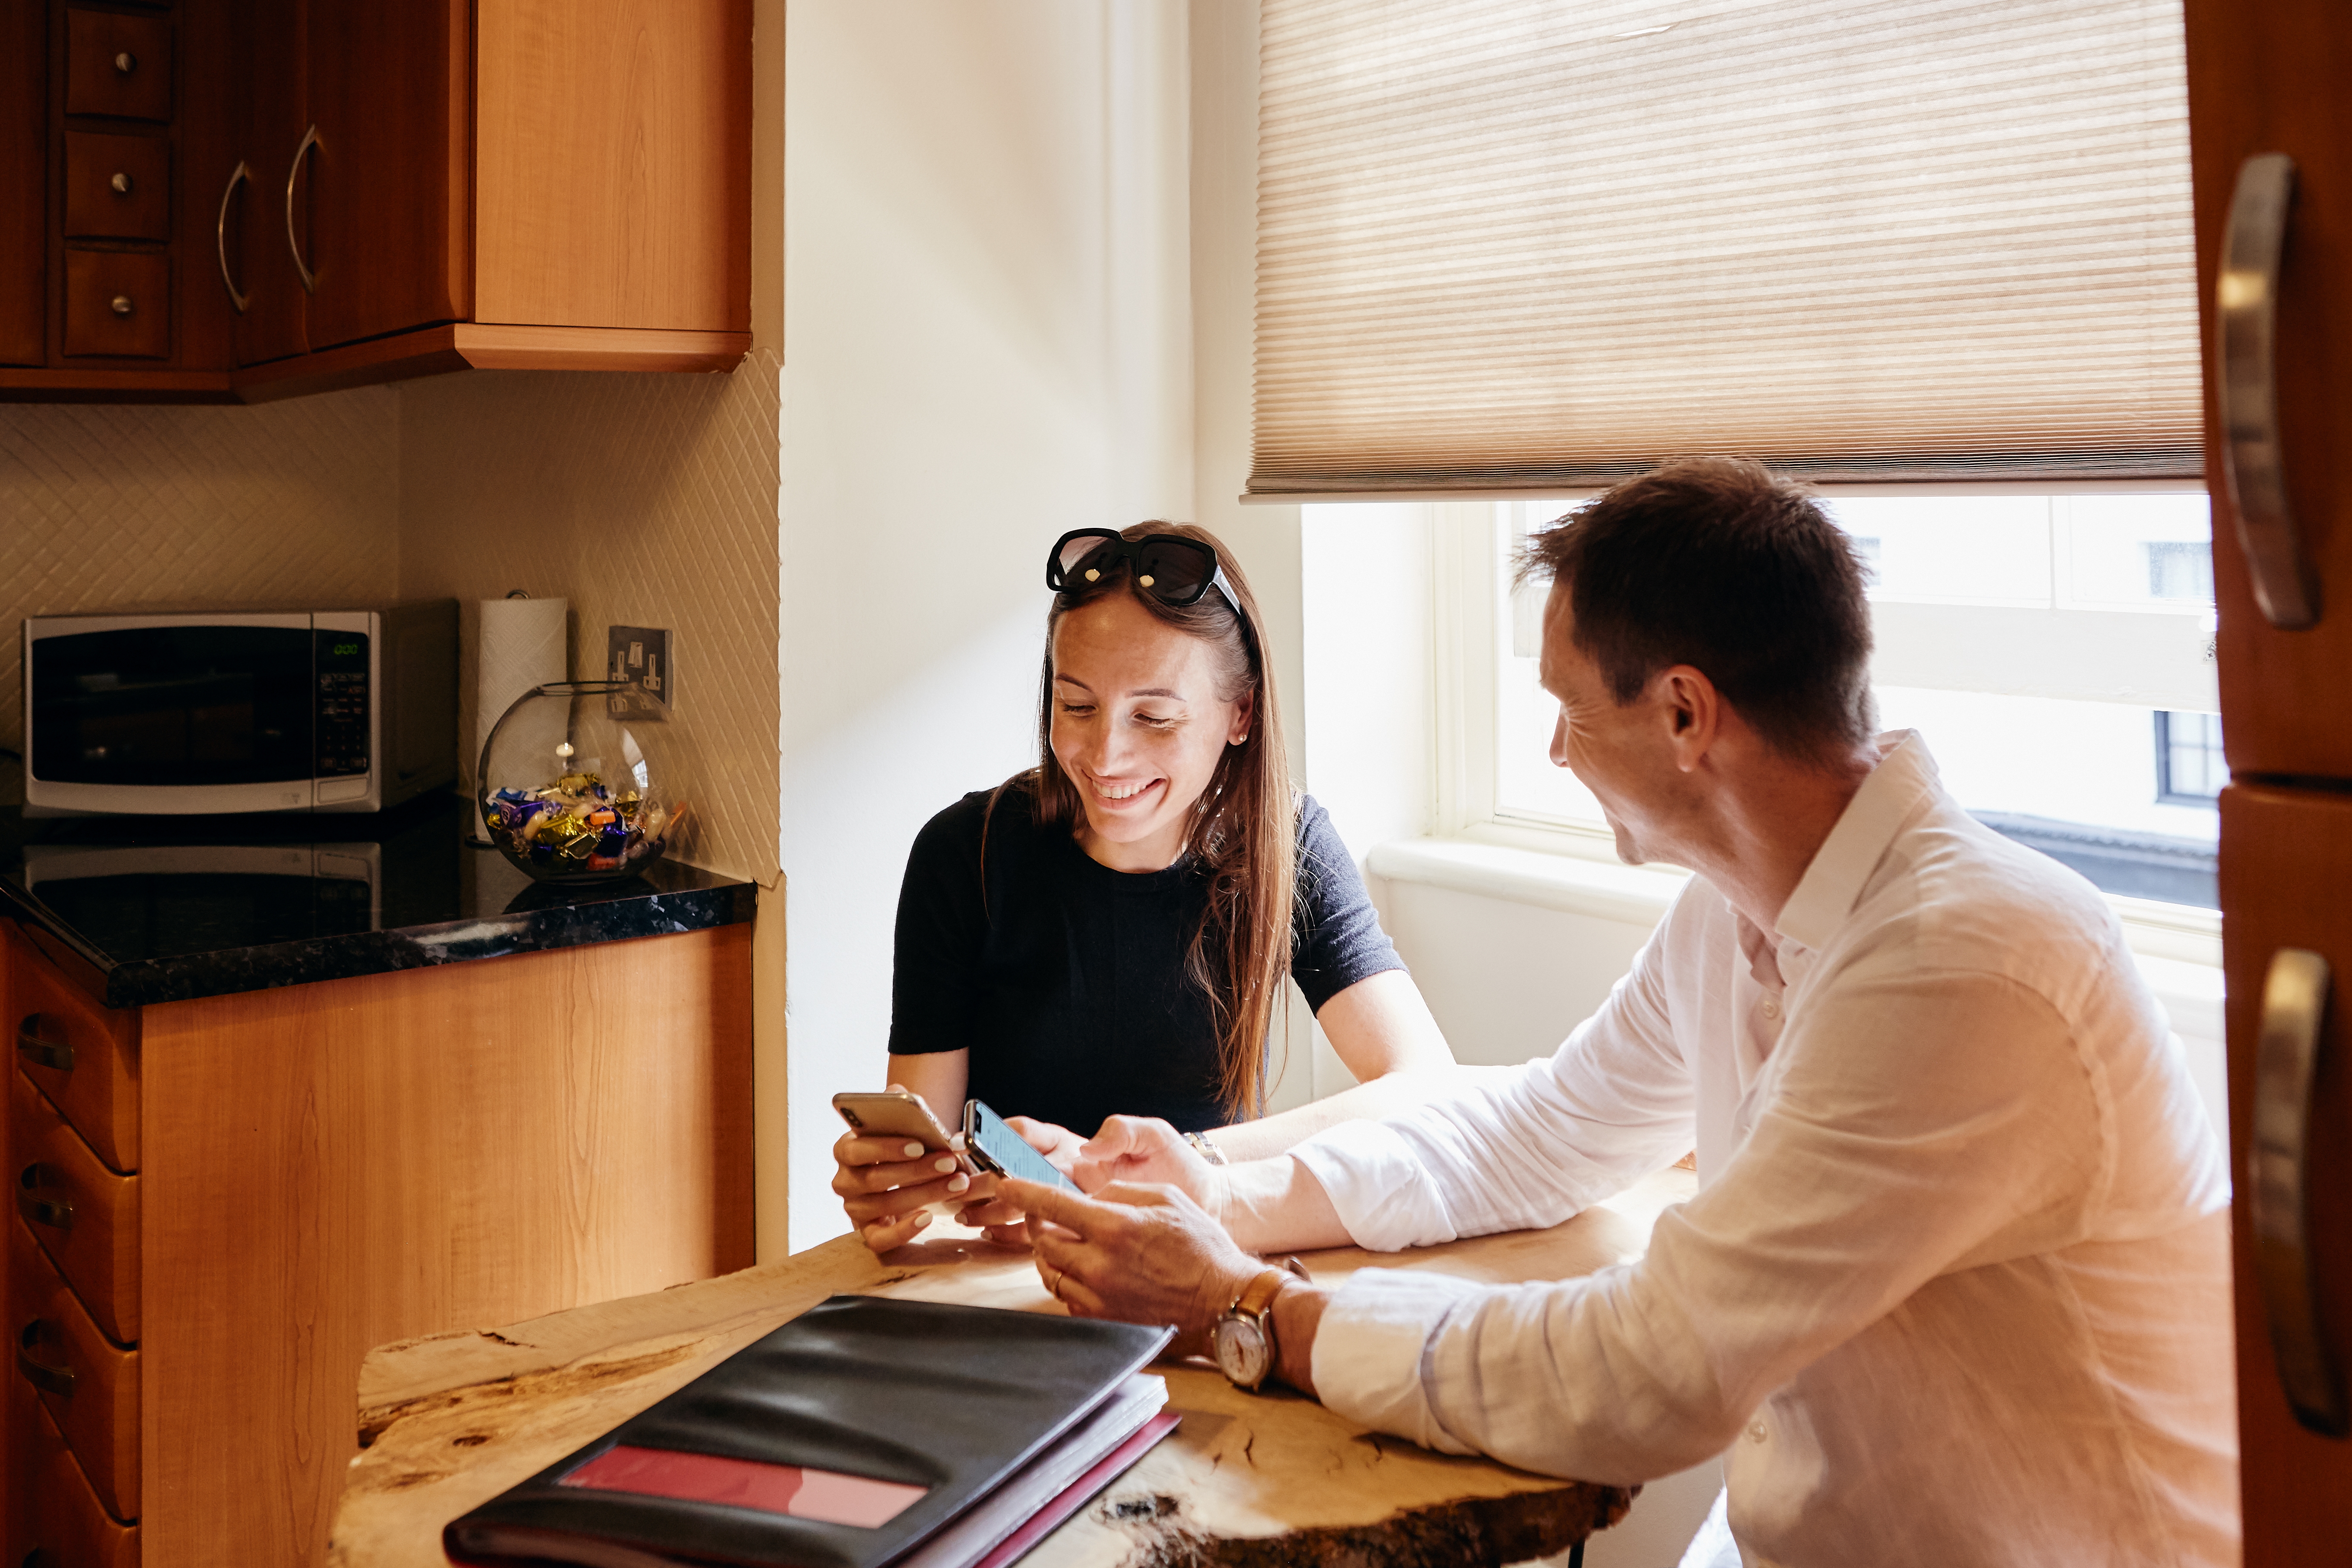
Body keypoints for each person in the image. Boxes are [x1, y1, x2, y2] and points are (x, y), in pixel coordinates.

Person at [1000, 461, 2236, 1567]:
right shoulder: (1739, 912)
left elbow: (1653, 1366)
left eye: (1570, 707)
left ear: (1684, 715)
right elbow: (1535, 1131)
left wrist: (1247, 1307)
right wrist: (1220, 1200)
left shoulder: (1967, 964)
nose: (1550, 749)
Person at [833, 522, 1458, 1253]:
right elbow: (931, 1156)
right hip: (1009, 1272)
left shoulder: (1285, 845)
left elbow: (1423, 1085)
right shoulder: (961, 853)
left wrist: (1186, 1163)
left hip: (1190, 1256)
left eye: (1153, 717)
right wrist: (894, 1185)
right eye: (1075, 706)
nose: (1105, 755)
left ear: (1241, 715)